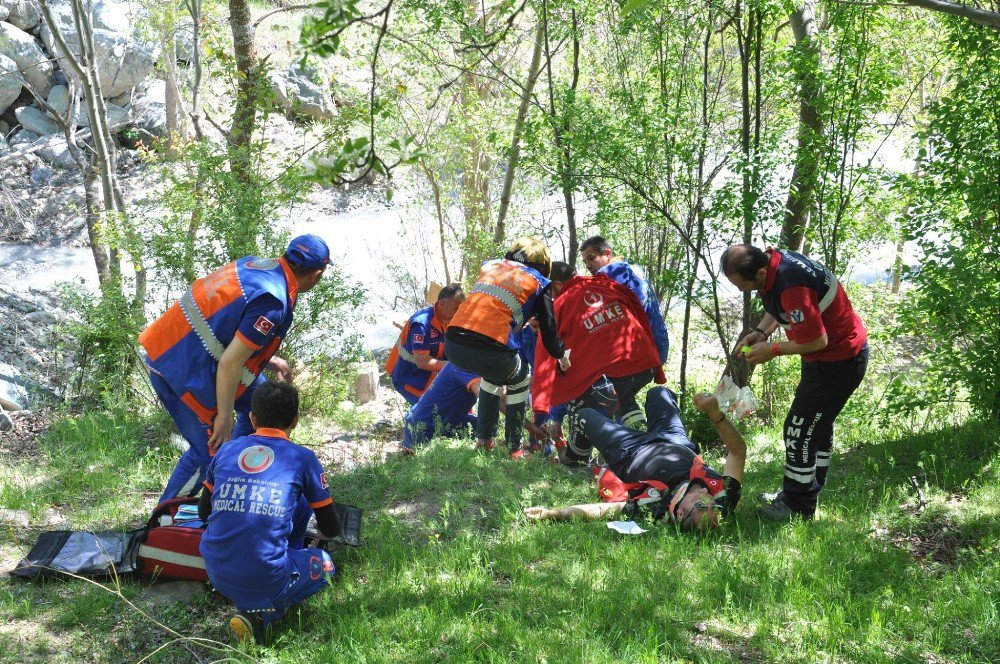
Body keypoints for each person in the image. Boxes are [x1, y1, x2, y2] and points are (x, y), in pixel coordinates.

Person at [139, 235, 329, 507]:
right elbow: (229, 363)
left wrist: (269, 360)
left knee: (267, 402)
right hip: (178, 370)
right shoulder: (273, 301)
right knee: (210, 454)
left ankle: (242, 467)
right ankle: (159, 523)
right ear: (317, 274)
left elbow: (228, 325)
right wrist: (224, 417)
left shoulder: (256, 265)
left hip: (174, 349)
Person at [722, 244, 868, 522]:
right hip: (828, 359)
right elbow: (779, 307)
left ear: (762, 272)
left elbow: (817, 340)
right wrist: (760, 332)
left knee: (798, 429)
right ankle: (804, 489)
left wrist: (772, 350)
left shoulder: (793, 285)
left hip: (839, 361)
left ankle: (798, 506)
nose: (744, 291)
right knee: (817, 426)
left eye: (744, 286)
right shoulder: (775, 261)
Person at [198, 381, 342, 644]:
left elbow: (203, 510)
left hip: (215, 571)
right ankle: (261, 616)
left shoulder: (227, 449)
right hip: (265, 576)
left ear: (252, 419)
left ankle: (266, 585)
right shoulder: (302, 458)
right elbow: (332, 529)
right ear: (295, 420)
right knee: (326, 563)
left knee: (297, 501)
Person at [524, 388, 745, 531]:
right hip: (675, 440)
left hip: (628, 450)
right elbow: (737, 453)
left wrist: (551, 514)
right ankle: (629, 411)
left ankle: (573, 457)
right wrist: (715, 414)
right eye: (711, 504)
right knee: (660, 393)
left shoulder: (656, 507)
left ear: (679, 513)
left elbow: (603, 510)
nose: (706, 494)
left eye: (700, 503)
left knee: (584, 416)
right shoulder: (723, 498)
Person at [444, 237, 571, 459]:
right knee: (520, 377)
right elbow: (550, 336)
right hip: (489, 350)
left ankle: (484, 441)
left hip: (453, 344)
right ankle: (515, 448)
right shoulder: (538, 282)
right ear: (543, 264)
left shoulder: (491, 266)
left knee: (492, 378)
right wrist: (562, 356)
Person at [531, 273, 666, 464]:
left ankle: (576, 459)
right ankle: (643, 448)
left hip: (610, 374)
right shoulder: (608, 286)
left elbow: (546, 349)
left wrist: (542, 397)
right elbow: (640, 312)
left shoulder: (562, 303)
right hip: (642, 363)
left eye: (549, 291)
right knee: (624, 400)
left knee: (582, 406)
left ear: (558, 285)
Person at [579, 235, 669, 363]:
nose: (588, 265)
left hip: (641, 344)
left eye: (591, 258)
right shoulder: (630, 264)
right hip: (659, 339)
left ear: (607, 254)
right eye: (585, 261)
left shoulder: (611, 271)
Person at [386, 284, 466, 405]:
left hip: (428, 376)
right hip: (409, 377)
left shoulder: (448, 318)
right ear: (442, 304)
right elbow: (423, 361)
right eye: (456, 309)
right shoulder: (421, 324)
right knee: (431, 413)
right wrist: (455, 367)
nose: (459, 313)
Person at [400, 362, 481, 452]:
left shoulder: (460, 361)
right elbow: (486, 397)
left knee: (487, 427)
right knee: (420, 460)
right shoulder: (463, 367)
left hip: (446, 420)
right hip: (424, 426)